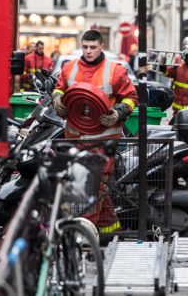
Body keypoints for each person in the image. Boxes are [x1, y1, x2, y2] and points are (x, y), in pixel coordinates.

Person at [51, 29, 137, 234]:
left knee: (91, 186)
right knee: (95, 187)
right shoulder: (69, 68)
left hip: (104, 140)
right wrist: (56, 99)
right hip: (75, 138)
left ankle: (84, 234)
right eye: (85, 47)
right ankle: (110, 229)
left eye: (93, 47)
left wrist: (118, 113)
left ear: (101, 47)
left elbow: (131, 98)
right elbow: (59, 88)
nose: (88, 51)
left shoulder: (115, 70)